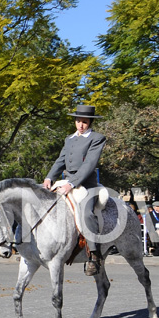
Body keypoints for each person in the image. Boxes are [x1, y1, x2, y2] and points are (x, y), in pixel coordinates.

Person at [43, 105, 107, 275]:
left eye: (84, 122)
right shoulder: (69, 139)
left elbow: (89, 164)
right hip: (66, 181)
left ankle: (94, 255)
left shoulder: (97, 138)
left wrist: (71, 184)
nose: (80, 125)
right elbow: (60, 160)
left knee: (86, 213)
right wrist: (49, 177)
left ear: (90, 122)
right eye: (78, 121)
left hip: (87, 184)